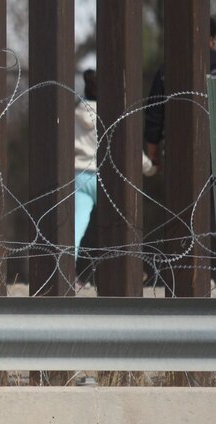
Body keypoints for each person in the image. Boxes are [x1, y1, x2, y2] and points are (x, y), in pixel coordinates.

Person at [75, 69, 156, 260]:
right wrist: (149, 168)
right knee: (119, 227)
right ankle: (122, 267)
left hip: (79, 176)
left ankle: (67, 269)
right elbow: (130, 148)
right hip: (108, 177)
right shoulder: (111, 116)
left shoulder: (75, 114)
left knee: (76, 227)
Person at [143, 17, 216, 168]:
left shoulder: (168, 68)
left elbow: (154, 112)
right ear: (213, 40)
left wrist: (153, 151)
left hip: (180, 149)